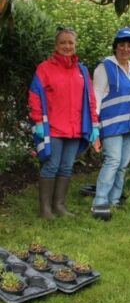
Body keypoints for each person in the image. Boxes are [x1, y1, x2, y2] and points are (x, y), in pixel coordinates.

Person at [28, 27, 99, 219]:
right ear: (56, 45)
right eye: (63, 42)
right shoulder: (44, 68)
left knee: (67, 167)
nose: (67, 46)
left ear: (75, 45)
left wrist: (94, 124)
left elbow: (90, 99)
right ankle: (45, 210)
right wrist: (38, 121)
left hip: (76, 129)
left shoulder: (82, 71)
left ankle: (59, 206)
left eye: (70, 43)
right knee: (51, 165)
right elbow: (34, 95)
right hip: (53, 129)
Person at [92, 27, 130, 209]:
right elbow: (96, 97)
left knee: (122, 165)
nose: (125, 49)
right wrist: (94, 127)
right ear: (115, 46)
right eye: (122, 45)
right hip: (111, 125)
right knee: (112, 161)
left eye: (129, 45)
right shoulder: (104, 67)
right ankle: (100, 201)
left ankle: (114, 201)